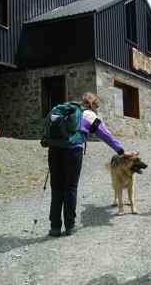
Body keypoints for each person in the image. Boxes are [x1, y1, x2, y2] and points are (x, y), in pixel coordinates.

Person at [48, 92, 134, 237]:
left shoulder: (65, 109)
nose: (97, 109)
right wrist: (121, 151)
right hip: (73, 151)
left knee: (56, 188)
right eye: (97, 106)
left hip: (54, 150)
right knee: (70, 187)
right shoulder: (89, 115)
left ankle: (55, 227)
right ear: (92, 104)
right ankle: (69, 226)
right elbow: (105, 135)